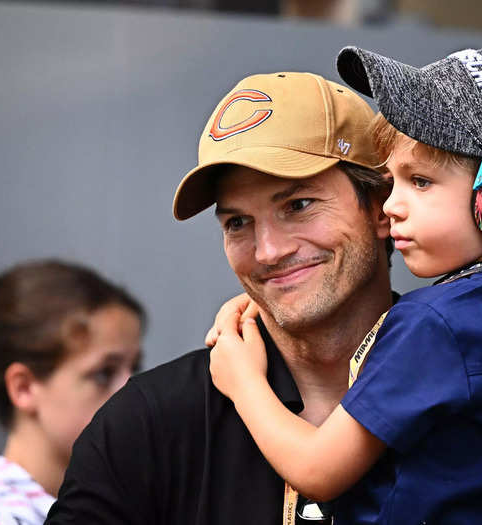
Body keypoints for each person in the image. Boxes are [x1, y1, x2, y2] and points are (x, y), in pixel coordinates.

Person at [209, 44, 482, 524]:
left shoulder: (435, 325)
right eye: (390, 181)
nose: (391, 205)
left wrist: (243, 380)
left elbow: (316, 469)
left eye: (419, 181)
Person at [44, 72, 395, 525]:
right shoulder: (148, 422)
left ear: (382, 205)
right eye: (237, 223)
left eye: (299, 205)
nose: (268, 251)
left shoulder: (466, 382)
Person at [0, 259, 145, 525]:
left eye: (135, 368)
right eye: (104, 373)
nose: (131, 391)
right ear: (23, 388)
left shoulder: (114, 506)